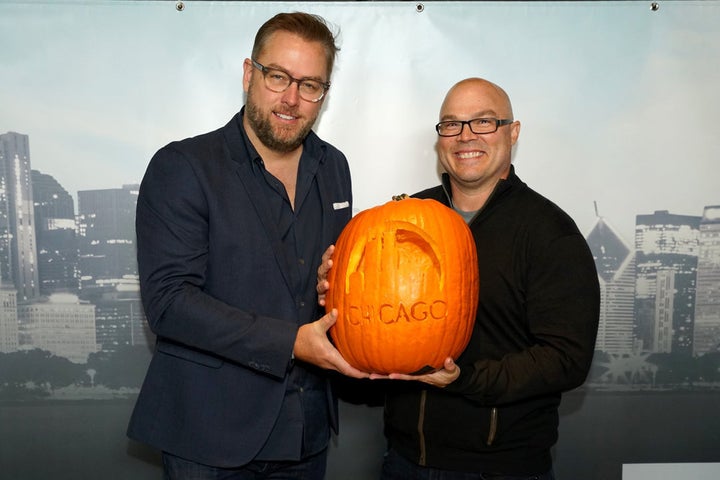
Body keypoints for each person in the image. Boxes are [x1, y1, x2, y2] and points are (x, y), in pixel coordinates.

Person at [319, 78, 600, 479]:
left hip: (502, 468)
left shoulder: (548, 231)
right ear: (440, 138)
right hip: (402, 460)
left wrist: (464, 380)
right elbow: (376, 329)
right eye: (451, 124)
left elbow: (566, 358)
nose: (465, 136)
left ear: (512, 132)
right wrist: (334, 299)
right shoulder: (402, 216)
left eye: (483, 122)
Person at [127, 12, 368, 479]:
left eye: (311, 85)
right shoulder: (184, 166)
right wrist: (292, 343)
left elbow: (329, 279)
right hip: (211, 438)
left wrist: (332, 282)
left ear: (324, 94)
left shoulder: (334, 166)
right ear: (248, 74)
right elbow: (170, 304)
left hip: (307, 432)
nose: (292, 99)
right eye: (278, 77)